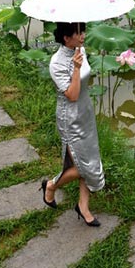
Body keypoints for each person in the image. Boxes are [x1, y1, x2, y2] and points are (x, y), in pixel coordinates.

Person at [41, 22, 105, 227]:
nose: (83, 36)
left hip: (85, 113)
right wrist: (76, 68)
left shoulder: (80, 49)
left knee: (89, 157)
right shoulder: (57, 63)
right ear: (66, 38)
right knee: (82, 165)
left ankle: (83, 207)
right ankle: (51, 186)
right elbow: (72, 94)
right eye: (78, 33)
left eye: (83, 31)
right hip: (70, 118)